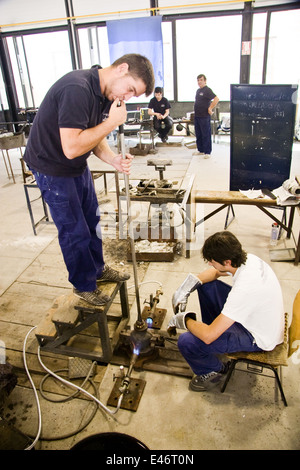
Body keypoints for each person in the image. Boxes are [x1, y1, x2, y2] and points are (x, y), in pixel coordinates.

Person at [24, 54, 155, 306]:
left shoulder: (103, 93)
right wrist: (112, 122)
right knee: (75, 231)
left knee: (92, 221)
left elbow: (93, 135)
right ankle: (83, 285)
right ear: (122, 69)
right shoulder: (77, 89)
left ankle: (97, 269)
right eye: (130, 90)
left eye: (132, 96)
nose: (126, 98)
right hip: (51, 167)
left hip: (74, 165)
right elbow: (73, 146)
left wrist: (113, 159)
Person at [168, 231, 284, 391]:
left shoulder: (243, 291)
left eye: (212, 261)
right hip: (258, 317)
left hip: (257, 336)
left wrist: (184, 320)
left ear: (227, 261)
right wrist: (189, 285)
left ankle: (213, 370)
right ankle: (217, 334)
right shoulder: (247, 259)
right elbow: (215, 272)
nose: (210, 264)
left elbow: (208, 336)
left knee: (187, 342)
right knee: (206, 285)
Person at [193, 74, 219, 158]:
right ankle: (201, 150)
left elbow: (216, 99)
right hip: (197, 116)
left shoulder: (207, 90)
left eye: (201, 80)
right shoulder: (198, 91)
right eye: (198, 80)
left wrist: (210, 108)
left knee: (205, 134)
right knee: (198, 134)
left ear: (205, 81)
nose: (199, 82)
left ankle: (207, 152)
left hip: (204, 116)